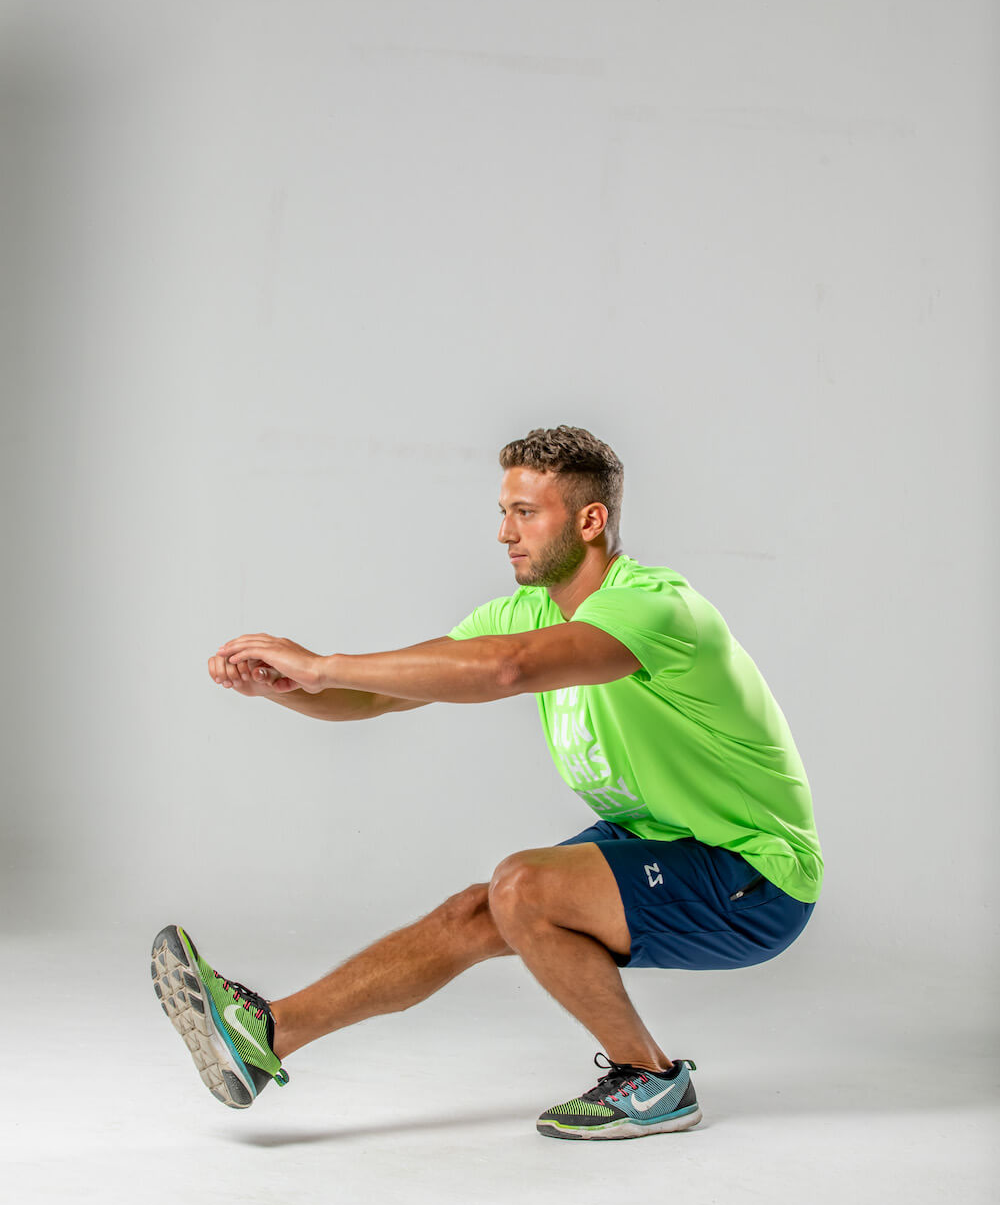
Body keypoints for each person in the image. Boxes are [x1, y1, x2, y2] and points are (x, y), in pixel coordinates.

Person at [151, 426, 822, 1141]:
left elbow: (509, 668)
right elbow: (377, 694)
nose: (505, 533)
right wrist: (284, 685)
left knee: (522, 886)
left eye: (526, 513)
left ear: (590, 520)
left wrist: (322, 664)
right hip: (659, 839)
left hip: (755, 873)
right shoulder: (524, 613)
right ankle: (267, 1036)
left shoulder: (654, 607)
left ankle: (653, 1080)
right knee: (477, 912)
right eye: (504, 512)